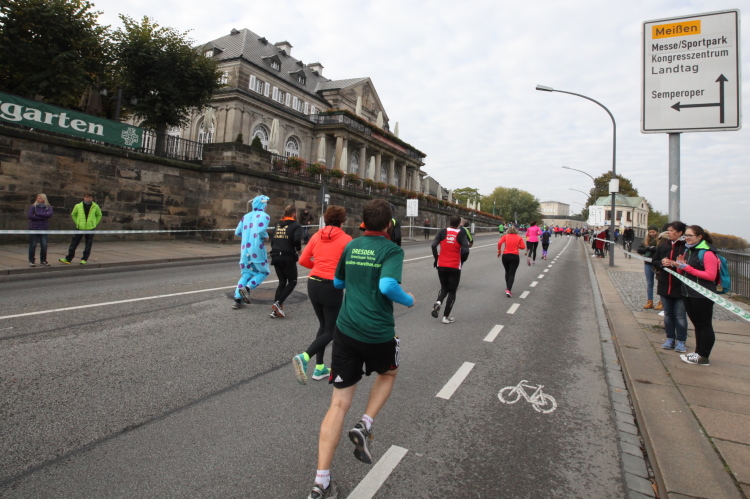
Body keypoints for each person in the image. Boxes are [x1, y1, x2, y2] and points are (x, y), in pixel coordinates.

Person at [305, 199, 414, 499]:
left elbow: (338, 281)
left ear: (364, 222)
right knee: (389, 373)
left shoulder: (352, 246)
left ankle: (321, 482)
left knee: (338, 404)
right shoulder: (392, 250)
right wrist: (409, 300)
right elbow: (388, 286)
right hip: (378, 333)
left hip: (346, 331)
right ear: (389, 224)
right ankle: (365, 424)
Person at [292, 205, 352, 384]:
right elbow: (350, 266)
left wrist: (318, 267)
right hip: (331, 286)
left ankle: (319, 368)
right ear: (342, 221)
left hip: (313, 283)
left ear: (325, 219)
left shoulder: (316, 235)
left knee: (324, 326)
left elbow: (303, 260)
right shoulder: (346, 239)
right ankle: (304, 357)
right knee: (331, 330)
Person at [674, 225, 719, 366]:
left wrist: (687, 268)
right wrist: (680, 266)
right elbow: (685, 272)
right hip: (689, 293)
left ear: (699, 237)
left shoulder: (707, 253)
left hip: (702, 295)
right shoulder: (688, 250)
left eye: (690, 235)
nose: (687, 238)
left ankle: (703, 356)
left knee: (704, 325)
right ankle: (698, 352)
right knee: (697, 325)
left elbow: (710, 276)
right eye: (685, 235)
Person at [653, 221, 688, 352]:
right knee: (668, 314)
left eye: (672, 230)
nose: (668, 232)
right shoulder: (663, 245)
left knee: (680, 315)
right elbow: (654, 260)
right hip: (664, 285)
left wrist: (676, 264)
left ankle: (681, 341)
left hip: (680, 287)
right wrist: (662, 263)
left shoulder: (686, 247)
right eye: (668, 230)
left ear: (680, 233)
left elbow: (690, 266)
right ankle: (670, 338)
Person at [232, 195, 271, 310]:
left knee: (246, 274)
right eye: (266, 204)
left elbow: (237, 232)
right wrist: (266, 236)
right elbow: (261, 230)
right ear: (263, 204)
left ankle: (237, 299)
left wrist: (247, 235)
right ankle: (247, 288)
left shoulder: (246, 216)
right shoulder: (264, 216)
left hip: (245, 249)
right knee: (264, 272)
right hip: (256, 249)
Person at [430, 215, 470, 324]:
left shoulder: (443, 232)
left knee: (444, 288)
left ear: (449, 222)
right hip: (454, 265)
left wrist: (436, 258)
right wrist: (462, 259)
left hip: (441, 264)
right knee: (452, 290)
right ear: (459, 224)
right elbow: (466, 250)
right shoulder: (461, 234)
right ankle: (445, 317)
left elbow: (433, 245)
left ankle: (438, 302)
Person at [269, 204, 303, 318]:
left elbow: (273, 240)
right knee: (292, 281)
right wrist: (299, 250)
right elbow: (297, 239)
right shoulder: (296, 225)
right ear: (293, 214)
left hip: (275, 255)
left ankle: (275, 310)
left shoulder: (278, 224)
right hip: (287, 256)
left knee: (282, 282)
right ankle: (278, 303)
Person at [59, 193, 102, 265]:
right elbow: (74, 214)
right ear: (84, 198)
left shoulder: (95, 206)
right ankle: (68, 259)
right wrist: (77, 223)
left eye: (89, 197)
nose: (88, 199)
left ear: (92, 198)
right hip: (80, 227)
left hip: (90, 228)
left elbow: (99, 215)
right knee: (74, 243)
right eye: (87, 197)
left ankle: (84, 259)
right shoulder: (78, 206)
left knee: (88, 245)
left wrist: (94, 224)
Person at [497, 225, 526, 298]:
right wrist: (517, 246)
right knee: (512, 273)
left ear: (508, 231)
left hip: (505, 255)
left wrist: (499, 251)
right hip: (515, 256)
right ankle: (509, 289)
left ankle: (507, 287)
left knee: (507, 272)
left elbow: (499, 243)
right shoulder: (519, 237)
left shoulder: (505, 236)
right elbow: (523, 247)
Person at [637, 225, 660, 310]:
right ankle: (650, 301)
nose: (651, 233)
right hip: (648, 263)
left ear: (657, 232)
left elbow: (663, 250)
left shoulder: (660, 240)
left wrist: (655, 249)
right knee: (650, 283)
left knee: (660, 283)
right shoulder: (645, 240)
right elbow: (639, 250)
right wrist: (647, 249)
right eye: (650, 232)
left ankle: (661, 302)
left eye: (653, 232)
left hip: (657, 264)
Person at [28, 193, 54, 267]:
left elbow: (49, 215)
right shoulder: (33, 206)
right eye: (37, 198)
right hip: (34, 228)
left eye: (40, 198)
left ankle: (43, 260)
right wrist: (43, 216)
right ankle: (31, 260)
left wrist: (37, 214)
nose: (38, 199)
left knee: (44, 245)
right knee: (33, 245)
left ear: (43, 199)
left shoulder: (48, 207)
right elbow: (30, 216)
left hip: (43, 228)